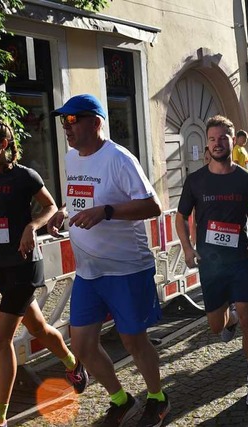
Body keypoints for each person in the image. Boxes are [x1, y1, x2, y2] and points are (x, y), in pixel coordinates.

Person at [46, 94, 169, 427]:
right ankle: (120, 398)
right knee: (82, 344)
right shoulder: (72, 159)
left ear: (96, 122)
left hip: (126, 268)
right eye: (63, 121)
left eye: (72, 120)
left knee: (133, 340)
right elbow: (78, 196)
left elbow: (152, 206)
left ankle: (157, 397)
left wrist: (108, 211)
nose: (66, 128)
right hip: (89, 271)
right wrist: (62, 211)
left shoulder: (119, 159)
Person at [0, 118, 87, 427]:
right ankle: (73, 363)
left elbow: (52, 207)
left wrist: (31, 226)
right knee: (38, 328)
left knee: (0, 339)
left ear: (3, 145)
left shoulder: (24, 177)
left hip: (25, 264)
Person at [175, 115, 248, 406]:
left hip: (241, 259)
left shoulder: (247, 180)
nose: (218, 143)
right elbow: (180, 217)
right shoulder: (196, 180)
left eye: (223, 138)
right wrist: (187, 247)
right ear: (207, 143)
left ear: (233, 140)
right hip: (210, 262)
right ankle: (227, 317)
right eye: (212, 139)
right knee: (215, 327)